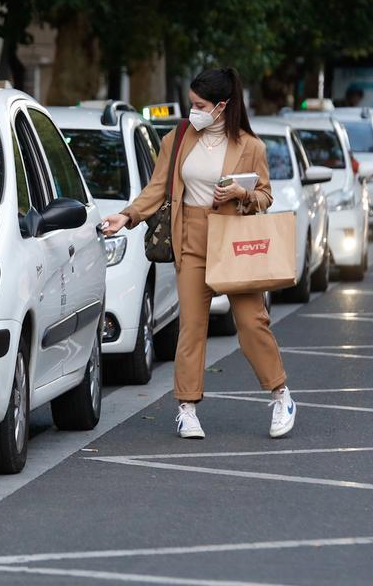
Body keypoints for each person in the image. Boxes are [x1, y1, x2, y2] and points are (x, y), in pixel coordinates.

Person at [101, 67, 295, 440]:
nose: (193, 111)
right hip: (190, 239)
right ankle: (186, 407)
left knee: (252, 322)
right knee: (191, 327)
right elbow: (157, 189)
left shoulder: (250, 146)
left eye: (200, 105)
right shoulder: (177, 139)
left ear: (221, 107)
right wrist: (126, 216)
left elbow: (265, 196)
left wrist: (241, 195)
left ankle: (280, 394)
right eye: (191, 103)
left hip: (234, 241)